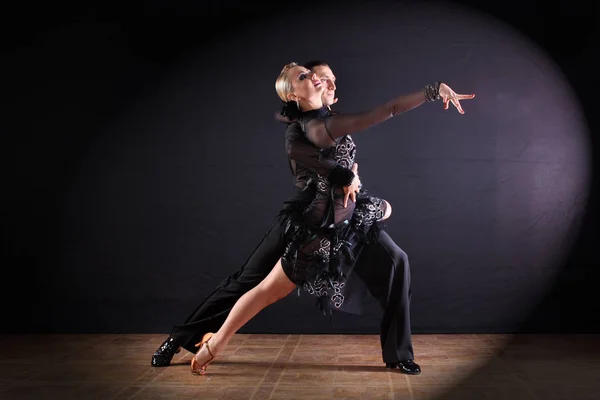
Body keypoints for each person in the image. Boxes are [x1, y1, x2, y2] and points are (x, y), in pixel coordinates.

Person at [188, 61, 475, 375]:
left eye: (312, 73)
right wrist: (432, 91)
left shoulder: (327, 119)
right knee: (265, 292)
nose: (313, 77)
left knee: (397, 260)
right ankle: (212, 346)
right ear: (293, 96)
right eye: (304, 76)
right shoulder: (315, 127)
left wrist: (353, 178)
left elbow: (344, 161)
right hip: (320, 229)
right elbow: (388, 110)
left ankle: (398, 353)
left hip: (351, 218)